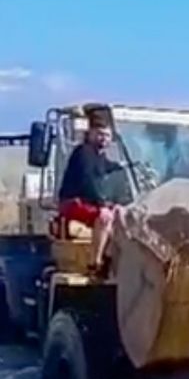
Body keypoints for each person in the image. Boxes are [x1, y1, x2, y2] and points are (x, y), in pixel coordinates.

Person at [57, 117, 124, 274]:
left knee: (120, 213)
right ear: (90, 133)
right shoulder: (83, 153)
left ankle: (111, 255)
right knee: (104, 216)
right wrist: (102, 204)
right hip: (72, 203)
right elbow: (88, 182)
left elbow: (110, 168)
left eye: (107, 135)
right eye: (100, 134)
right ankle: (96, 261)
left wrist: (126, 167)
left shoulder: (100, 156)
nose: (104, 139)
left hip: (88, 202)